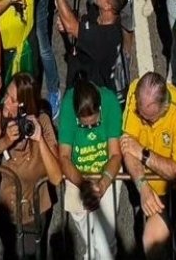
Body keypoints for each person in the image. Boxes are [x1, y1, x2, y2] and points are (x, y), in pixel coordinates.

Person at [0, 72, 63, 259]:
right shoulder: (0, 115)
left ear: (24, 106)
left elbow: (57, 177)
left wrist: (39, 138)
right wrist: (5, 141)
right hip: (6, 209)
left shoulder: (42, 121)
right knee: (7, 253)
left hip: (34, 211)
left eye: (12, 99)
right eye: (7, 95)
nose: (6, 101)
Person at [119, 71, 176, 256]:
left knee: (153, 240)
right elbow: (127, 146)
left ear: (164, 108)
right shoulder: (134, 92)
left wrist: (144, 154)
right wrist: (142, 185)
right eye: (141, 114)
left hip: (172, 189)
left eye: (149, 118)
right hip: (144, 182)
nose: (143, 120)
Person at [57, 74, 122, 260]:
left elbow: (116, 155)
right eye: (84, 126)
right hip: (78, 174)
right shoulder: (68, 107)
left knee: (105, 241)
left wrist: (102, 185)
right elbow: (64, 157)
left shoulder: (109, 102)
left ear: (100, 108)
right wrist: (84, 187)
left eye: (95, 123)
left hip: (106, 171)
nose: (91, 128)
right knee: (88, 236)